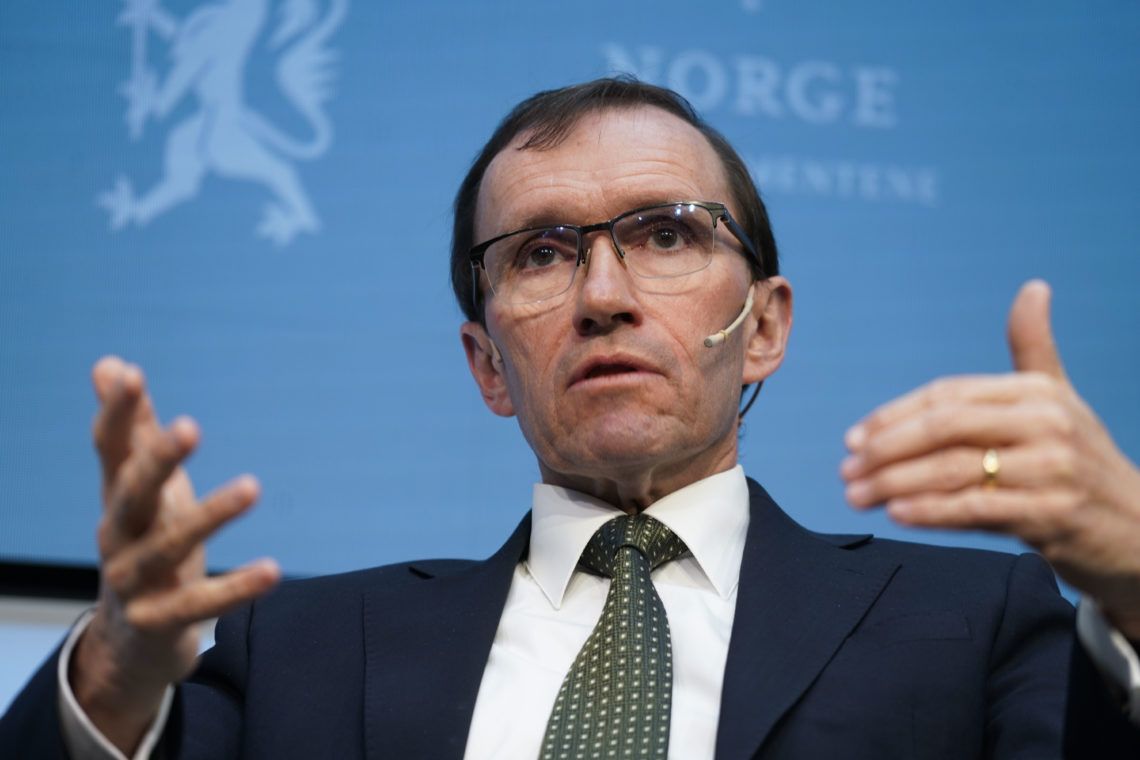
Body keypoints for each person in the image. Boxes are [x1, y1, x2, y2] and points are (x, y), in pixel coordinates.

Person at [2, 78, 1139, 759]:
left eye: (667, 234)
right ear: (487, 363)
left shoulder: (975, 621)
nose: (603, 295)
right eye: (541, 253)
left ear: (765, 326)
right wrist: (113, 671)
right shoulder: (300, 649)